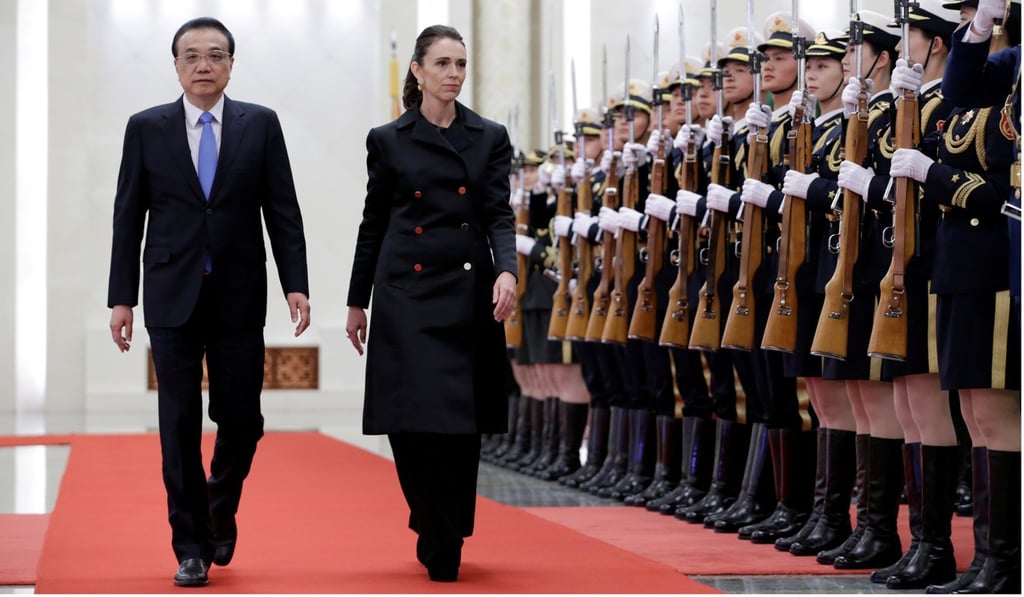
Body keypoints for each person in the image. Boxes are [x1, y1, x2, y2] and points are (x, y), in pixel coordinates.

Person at [106, 17, 311, 587]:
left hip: (239, 295)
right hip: (170, 295)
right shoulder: (145, 128)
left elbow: (283, 209)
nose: (204, 65)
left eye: (215, 55)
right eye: (192, 56)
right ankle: (191, 545)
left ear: (231, 64)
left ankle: (220, 505)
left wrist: (296, 283)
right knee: (177, 424)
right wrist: (121, 298)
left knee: (242, 420)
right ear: (176, 65)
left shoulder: (260, 124)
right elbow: (127, 216)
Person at [344, 25, 517, 583]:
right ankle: (429, 515)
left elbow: (498, 213)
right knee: (409, 421)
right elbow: (373, 223)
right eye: (442, 63)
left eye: (460, 64)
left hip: (466, 293)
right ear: (417, 71)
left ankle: (448, 531)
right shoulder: (387, 139)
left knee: (459, 423)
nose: (454, 74)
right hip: (405, 292)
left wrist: (507, 269)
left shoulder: (489, 137)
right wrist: (357, 300)